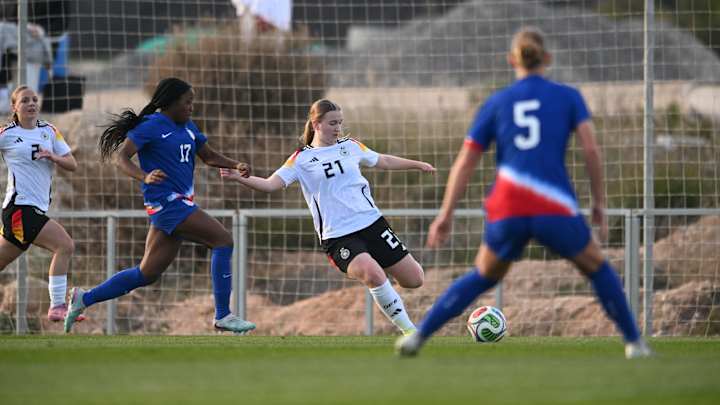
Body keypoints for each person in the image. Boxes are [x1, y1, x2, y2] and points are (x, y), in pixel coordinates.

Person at [395, 28, 652, 359]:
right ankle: (634, 343)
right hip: (553, 204)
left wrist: (445, 215)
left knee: (483, 275)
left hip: (509, 206)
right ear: (547, 58)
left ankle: (418, 337)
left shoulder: (497, 102)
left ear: (511, 60)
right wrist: (599, 202)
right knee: (598, 268)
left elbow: (465, 162)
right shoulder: (568, 96)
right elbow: (591, 150)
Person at [221, 99, 434, 335]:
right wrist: (238, 177)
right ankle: (410, 332)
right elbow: (270, 184)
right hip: (339, 236)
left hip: (373, 224)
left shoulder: (351, 146)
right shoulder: (301, 159)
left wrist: (417, 164)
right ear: (316, 124)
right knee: (373, 274)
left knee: (415, 279)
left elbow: (382, 160)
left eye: (340, 123)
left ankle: (384, 279)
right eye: (332, 123)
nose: (338, 128)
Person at [64, 77, 256, 334]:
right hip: (167, 204)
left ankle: (84, 298)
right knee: (223, 240)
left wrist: (235, 164)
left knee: (146, 273)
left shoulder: (188, 126)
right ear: (171, 102)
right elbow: (121, 158)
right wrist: (144, 176)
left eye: (192, 102)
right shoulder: (151, 125)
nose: (191, 107)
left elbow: (209, 157)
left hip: (178, 206)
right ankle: (223, 315)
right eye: (187, 102)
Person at [0, 85, 80, 322]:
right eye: (25, 100)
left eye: (34, 99)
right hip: (19, 208)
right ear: (14, 107)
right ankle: (57, 307)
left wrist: (54, 156)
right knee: (65, 245)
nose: (31, 103)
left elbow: (72, 163)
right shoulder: (7, 134)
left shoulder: (50, 131)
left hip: (31, 210)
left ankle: (58, 306)